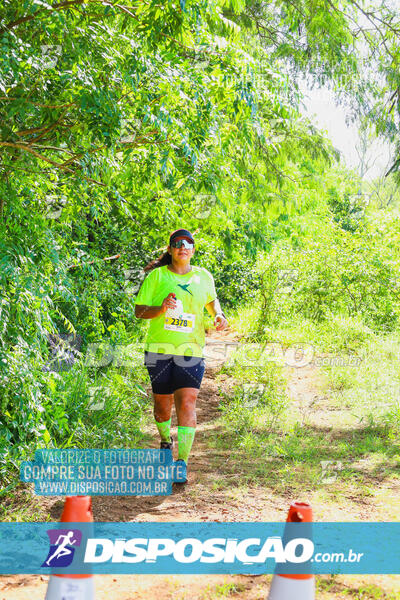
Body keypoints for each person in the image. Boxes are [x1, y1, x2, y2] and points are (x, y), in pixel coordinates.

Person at [134, 228, 228, 482]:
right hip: (159, 351)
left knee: (187, 403)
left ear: (193, 250)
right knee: (162, 408)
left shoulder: (203, 276)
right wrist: (161, 308)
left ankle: (181, 463)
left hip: (191, 351)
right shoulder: (157, 277)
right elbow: (139, 312)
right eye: (177, 243)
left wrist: (218, 314)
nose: (183, 247)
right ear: (170, 249)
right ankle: (166, 440)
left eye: (188, 243)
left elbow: (212, 301)